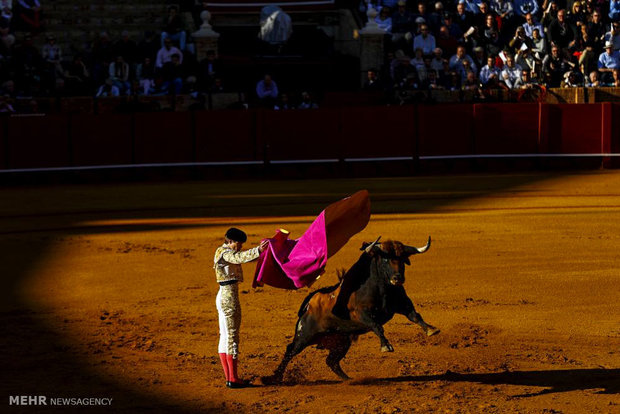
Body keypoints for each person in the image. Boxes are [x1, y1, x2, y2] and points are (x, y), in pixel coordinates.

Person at [214, 228, 268, 389]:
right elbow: (239, 258)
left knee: (225, 336)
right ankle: (233, 379)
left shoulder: (222, 251)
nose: (239, 247)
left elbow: (241, 258)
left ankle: (230, 377)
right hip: (228, 297)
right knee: (231, 336)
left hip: (223, 295)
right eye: (238, 244)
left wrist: (261, 253)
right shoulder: (226, 253)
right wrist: (258, 250)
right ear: (229, 241)